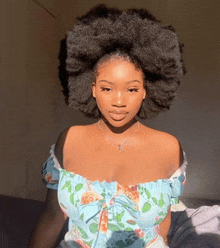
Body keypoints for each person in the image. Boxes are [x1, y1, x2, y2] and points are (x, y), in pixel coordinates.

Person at [28, 4, 187, 248]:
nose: (119, 102)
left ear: (146, 91)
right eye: (107, 88)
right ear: (91, 89)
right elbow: (51, 217)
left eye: (132, 89)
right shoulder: (69, 140)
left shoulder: (169, 148)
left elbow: (162, 225)